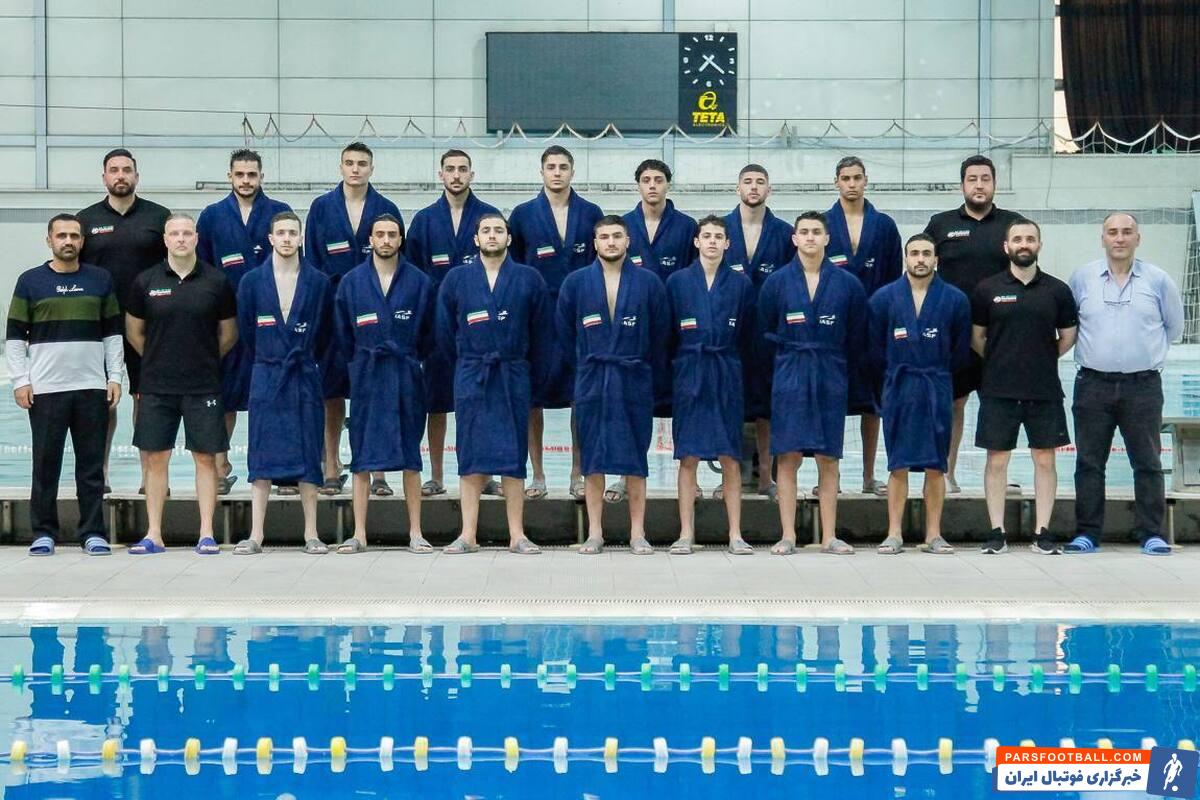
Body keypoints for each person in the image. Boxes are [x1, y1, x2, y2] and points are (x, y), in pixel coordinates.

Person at [6, 214, 124, 556]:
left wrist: (114, 377)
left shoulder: (100, 279)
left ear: (82, 241)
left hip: (91, 387)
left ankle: (93, 532)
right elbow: (15, 337)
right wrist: (21, 381)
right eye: (61, 236)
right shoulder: (30, 282)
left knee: (91, 467)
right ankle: (43, 532)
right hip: (45, 390)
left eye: (74, 235)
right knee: (45, 466)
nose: (68, 241)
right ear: (49, 240)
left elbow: (113, 334)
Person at [1066, 212, 1183, 555]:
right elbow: (1070, 324)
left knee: (1147, 462)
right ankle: (1087, 533)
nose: (1120, 238)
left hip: (1142, 386)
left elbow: (1174, 328)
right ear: (1102, 238)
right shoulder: (1083, 278)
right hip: (1092, 384)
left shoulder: (1158, 281)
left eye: (1127, 232)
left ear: (1138, 238)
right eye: (1113, 232)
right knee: (1089, 463)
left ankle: (1152, 534)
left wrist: (1140, 354)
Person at [436, 213, 552, 554]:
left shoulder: (529, 279)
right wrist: (466, 363)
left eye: (498, 230)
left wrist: (530, 374)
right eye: (485, 230)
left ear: (509, 238)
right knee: (470, 452)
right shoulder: (456, 280)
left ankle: (517, 535)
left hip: (512, 374)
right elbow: (444, 333)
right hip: (473, 372)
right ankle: (467, 534)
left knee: (514, 454)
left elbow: (543, 334)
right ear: (475, 239)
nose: (492, 235)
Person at [124, 213, 238, 554]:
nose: (181, 239)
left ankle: (206, 534)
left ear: (196, 238)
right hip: (157, 385)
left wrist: (201, 360)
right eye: (174, 233)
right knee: (155, 458)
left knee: (205, 458)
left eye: (187, 233)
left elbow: (228, 334)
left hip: (203, 384)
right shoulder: (145, 281)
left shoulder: (216, 282)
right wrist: (160, 358)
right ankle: (154, 534)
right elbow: (134, 332)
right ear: (165, 239)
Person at [556, 216, 669, 554]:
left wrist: (642, 368)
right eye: (604, 237)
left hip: (633, 377)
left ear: (628, 240)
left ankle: (638, 533)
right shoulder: (576, 283)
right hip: (592, 378)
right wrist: (584, 366)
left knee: (635, 457)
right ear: (595, 243)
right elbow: (564, 334)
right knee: (592, 457)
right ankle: (595, 533)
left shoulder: (649, 283)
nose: (610, 242)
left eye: (617, 236)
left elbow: (660, 334)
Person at [757, 211, 867, 556]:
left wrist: (840, 371)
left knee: (828, 457)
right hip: (789, 373)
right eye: (803, 232)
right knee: (788, 456)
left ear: (827, 238)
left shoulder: (848, 284)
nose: (809, 237)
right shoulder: (776, 283)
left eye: (816, 232)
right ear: (794, 239)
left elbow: (858, 336)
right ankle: (788, 535)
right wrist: (779, 372)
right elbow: (764, 332)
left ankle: (829, 535)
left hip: (830, 373)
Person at [971, 218, 1077, 555]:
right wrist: (1003, 360)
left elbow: (1068, 336)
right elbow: (977, 338)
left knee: (1045, 460)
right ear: (1007, 247)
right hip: (998, 389)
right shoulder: (987, 289)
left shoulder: (1057, 290)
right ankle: (996, 532)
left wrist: (1040, 358)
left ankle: (1043, 532)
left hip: (1043, 389)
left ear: (1039, 245)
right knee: (997, 460)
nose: (1024, 244)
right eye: (1017, 239)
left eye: (1030, 238)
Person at [304, 142, 402, 495]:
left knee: (375, 391)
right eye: (350, 163)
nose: (356, 169)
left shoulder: (386, 209)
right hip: (333, 311)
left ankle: (378, 470)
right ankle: (331, 466)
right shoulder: (321, 208)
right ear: (341, 167)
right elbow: (312, 264)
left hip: (375, 313)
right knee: (331, 390)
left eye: (362, 163)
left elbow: (396, 262)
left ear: (371, 168)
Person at [232, 211, 332, 555]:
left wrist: (304, 356)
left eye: (293, 233)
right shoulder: (251, 282)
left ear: (301, 238)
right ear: (271, 239)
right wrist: (270, 356)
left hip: (303, 374)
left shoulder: (318, 282)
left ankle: (311, 533)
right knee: (261, 454)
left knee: (308, 452)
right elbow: (247, 333)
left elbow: (325, 333)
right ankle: (256, 534)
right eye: (282, 233)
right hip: (267, 373)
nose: (287, 238)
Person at [508, 145, 604, 500]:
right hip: (537, 316)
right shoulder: (522, 215)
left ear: (572, 172)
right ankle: (538, 475)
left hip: (580, 315)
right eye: (551, 167)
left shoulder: (591, 213)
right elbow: (513, 269)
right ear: (542, 172)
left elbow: (600, 265)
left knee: (580, 394)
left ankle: (578, 472)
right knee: (532, 396)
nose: (557, 172)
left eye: (563, 167)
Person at [334, 214, 434, 554]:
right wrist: (359, 364)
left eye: (392, 234)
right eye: (380, 234)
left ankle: (416, 532)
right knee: (362, 456)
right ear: (371, 239)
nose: (386, 240)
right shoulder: (351, 283)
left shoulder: (419, 282)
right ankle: (359, 533)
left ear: (401, 239)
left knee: (411, 456)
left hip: (406, 376)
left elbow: (430, 333)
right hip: (368, 376)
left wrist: (411, 357)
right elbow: (342, 334)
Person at [404, 149, 500, 498]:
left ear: (472, 174)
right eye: (450, 169)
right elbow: (412, 276)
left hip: (481, 327)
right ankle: (436, 475)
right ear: (441, 174)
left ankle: (483, 473)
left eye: (462, 169)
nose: (456, 175)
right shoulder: (424, 221)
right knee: (437, 402)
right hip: (437, 326)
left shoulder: (489, 217)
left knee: (481, 403)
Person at [196, 148, 292, 495]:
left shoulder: (279, 212)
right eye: (240, 175)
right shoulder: (212, 216)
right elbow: (201, 269)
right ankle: (220, 467)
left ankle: (280, 469)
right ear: (230, 177)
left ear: (262, 176)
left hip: (271, 321)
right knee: (223, 396)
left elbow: (294, 264)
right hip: (226, 320)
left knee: (275, 396)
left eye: (252, 175)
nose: (246, 180)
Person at [924, 155, 1022, 493]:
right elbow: (922, 271)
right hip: (954, 335)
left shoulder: (1012, 224)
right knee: (953, 404)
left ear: (994, 184)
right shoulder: (940, 224)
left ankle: (998, 476)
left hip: (1000, 334)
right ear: (962, 185)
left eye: (985, 179)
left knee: (999, 405)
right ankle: (945, 474)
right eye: (972, 179)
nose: (979, 185)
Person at [869, 233, 971, 555]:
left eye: (927, 253)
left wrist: (937, 374)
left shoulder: (955, 300)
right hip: (899, 386)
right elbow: (874, 349)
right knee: (897, 463)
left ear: (936, 259)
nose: (921, 259)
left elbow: (960, 352)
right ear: (906, 258)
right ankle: (894, 534)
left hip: (935, 385)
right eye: (914, 253)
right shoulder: (884, 298)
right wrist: (893, 377)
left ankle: (934, 534)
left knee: (935, 464)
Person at [77, 148, 170, 491]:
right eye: (114, 170)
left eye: (126, 170)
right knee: (103, 400)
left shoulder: (158, 217)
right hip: (101, 325)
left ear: (136, 176)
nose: (120, 175)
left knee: (147, 400)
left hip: (149, 325)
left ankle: (150, 477)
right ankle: (100, 474)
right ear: (104, 177)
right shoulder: (85, 220)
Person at [664, 215, 755, 555]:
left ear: (728, 243)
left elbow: (748, 335)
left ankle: (735, 534)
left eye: (719, 236)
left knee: (730, 456)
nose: (713, 241)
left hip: (726, 373)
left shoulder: (741, 284)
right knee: (687, 456)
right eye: (707, 236)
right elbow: (667, 335)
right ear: (696, 241)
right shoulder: (677, 282)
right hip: (690, 373)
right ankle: (686, 533)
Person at [825, 156, 903, 496]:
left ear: (866, 181)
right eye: (846, 178)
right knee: (834, 402)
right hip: (835, 328)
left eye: (857, 177)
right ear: (836, 182)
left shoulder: (884, 226)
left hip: (874, 327)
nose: (852, 184)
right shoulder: (824, 224)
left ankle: (869, 476)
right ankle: (831, 478)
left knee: (874, 403)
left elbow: (895, 279)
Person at [722, 164, 797, 500]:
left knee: (767, 406)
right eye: (747, 182)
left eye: (760, 182)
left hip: (770, 333)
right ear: (737, 187)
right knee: (730, 403)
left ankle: (767, 478)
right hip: (728, 332)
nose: (753, 187)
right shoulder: (719, 229)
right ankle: (729, 480)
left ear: (769, 189)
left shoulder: (783, 233)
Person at [623, 159, 698, 282]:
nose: (652, 185)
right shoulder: (623, 225)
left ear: (668, 185)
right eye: (646, 180)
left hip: (674, 294)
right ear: (638, 187)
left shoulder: (687, 226)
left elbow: (696, 271)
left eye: (659, 180)